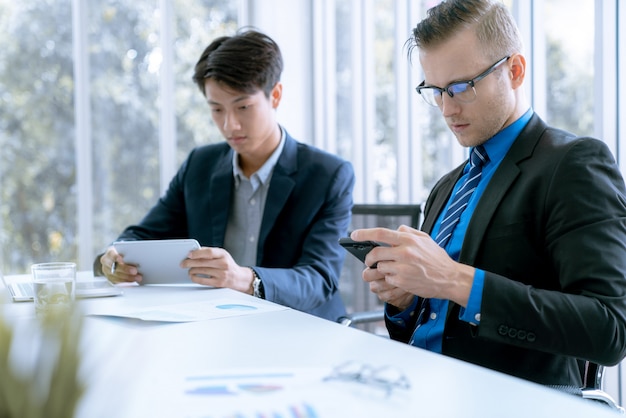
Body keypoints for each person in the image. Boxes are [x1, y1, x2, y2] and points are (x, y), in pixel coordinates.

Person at [350, 0, 626, 388]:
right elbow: (428, 330)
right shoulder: (448, 186)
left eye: (462, 87)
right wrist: (406, 301)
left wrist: (453, 279)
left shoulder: (573, 164)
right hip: (416, 386)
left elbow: (610, 329)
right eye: (437, 90)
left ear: (515, 71)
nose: (447, 108)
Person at [94, 28, 355, 321]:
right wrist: (113, 257)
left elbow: (319, 278)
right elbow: (143, 235)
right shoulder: (200, 165)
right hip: (213, 323)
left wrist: (245, 279)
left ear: (275, 95)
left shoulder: (329, 175)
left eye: (243, 107)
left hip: (300, 326)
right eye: (216, 109)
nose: (230, 125)